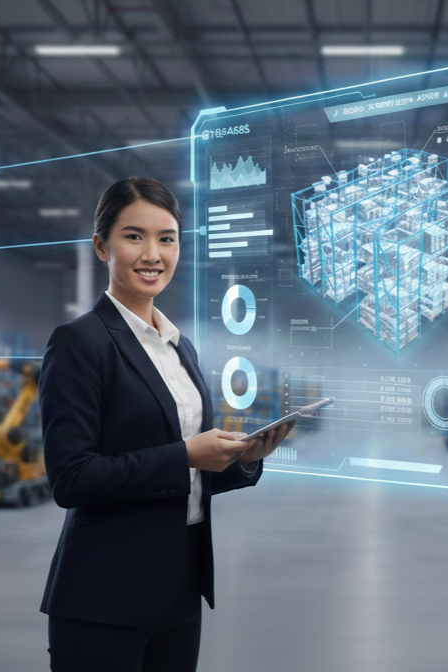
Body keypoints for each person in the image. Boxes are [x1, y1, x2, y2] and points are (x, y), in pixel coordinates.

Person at [38, 176, 292, 672]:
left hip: (180, 586)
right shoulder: (80, 343)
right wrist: (186, 455)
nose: (152, 253)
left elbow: (188, 476)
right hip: (104, 597)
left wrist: (241, 460)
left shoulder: (181, 347)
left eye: (167, 238)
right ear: (101, 245)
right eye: (134, 236)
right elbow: (71, 478)